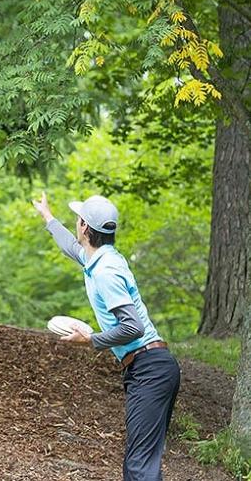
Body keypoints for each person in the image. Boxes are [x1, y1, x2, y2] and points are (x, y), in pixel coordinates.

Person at [32, 192, 181, 481]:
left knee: (139, 467)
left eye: (78, 220)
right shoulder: (100, 259)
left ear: (85, 228)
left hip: (150, 368)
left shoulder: (106, 272)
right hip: (150, 367)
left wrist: (90, 339)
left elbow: (133, 327)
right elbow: (70, 247)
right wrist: (48, 217)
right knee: (138, 464)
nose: (76, 225)